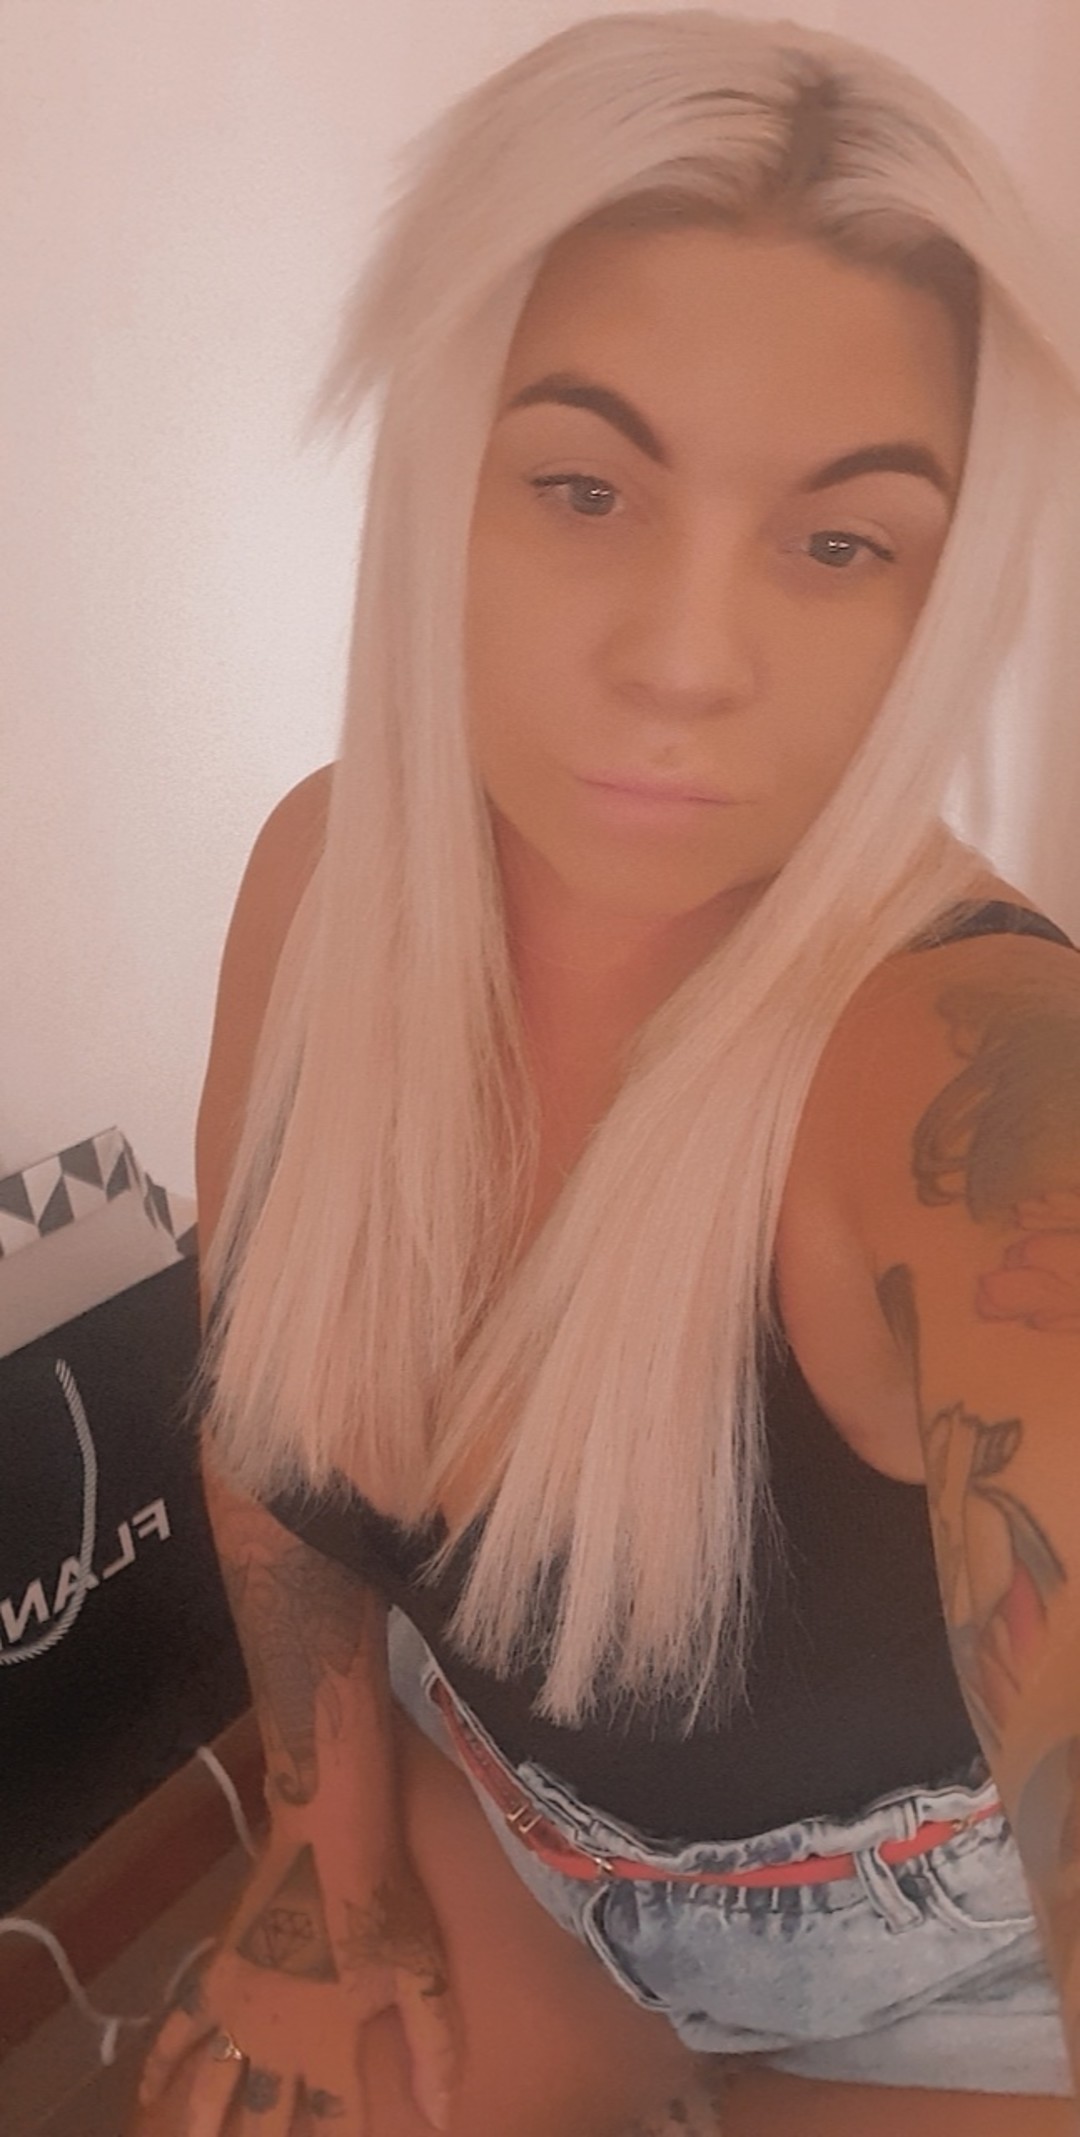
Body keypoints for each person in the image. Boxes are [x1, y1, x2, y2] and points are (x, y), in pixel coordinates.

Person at [131, 11, 1080, 2134]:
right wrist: (325, 1843)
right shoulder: (325, 887)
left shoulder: (988, 1089)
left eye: (839, 542)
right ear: (438, 482)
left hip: (954, 1980)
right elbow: (272, 1443)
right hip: (524, 1837)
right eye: (582, 485)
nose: (682, 655)